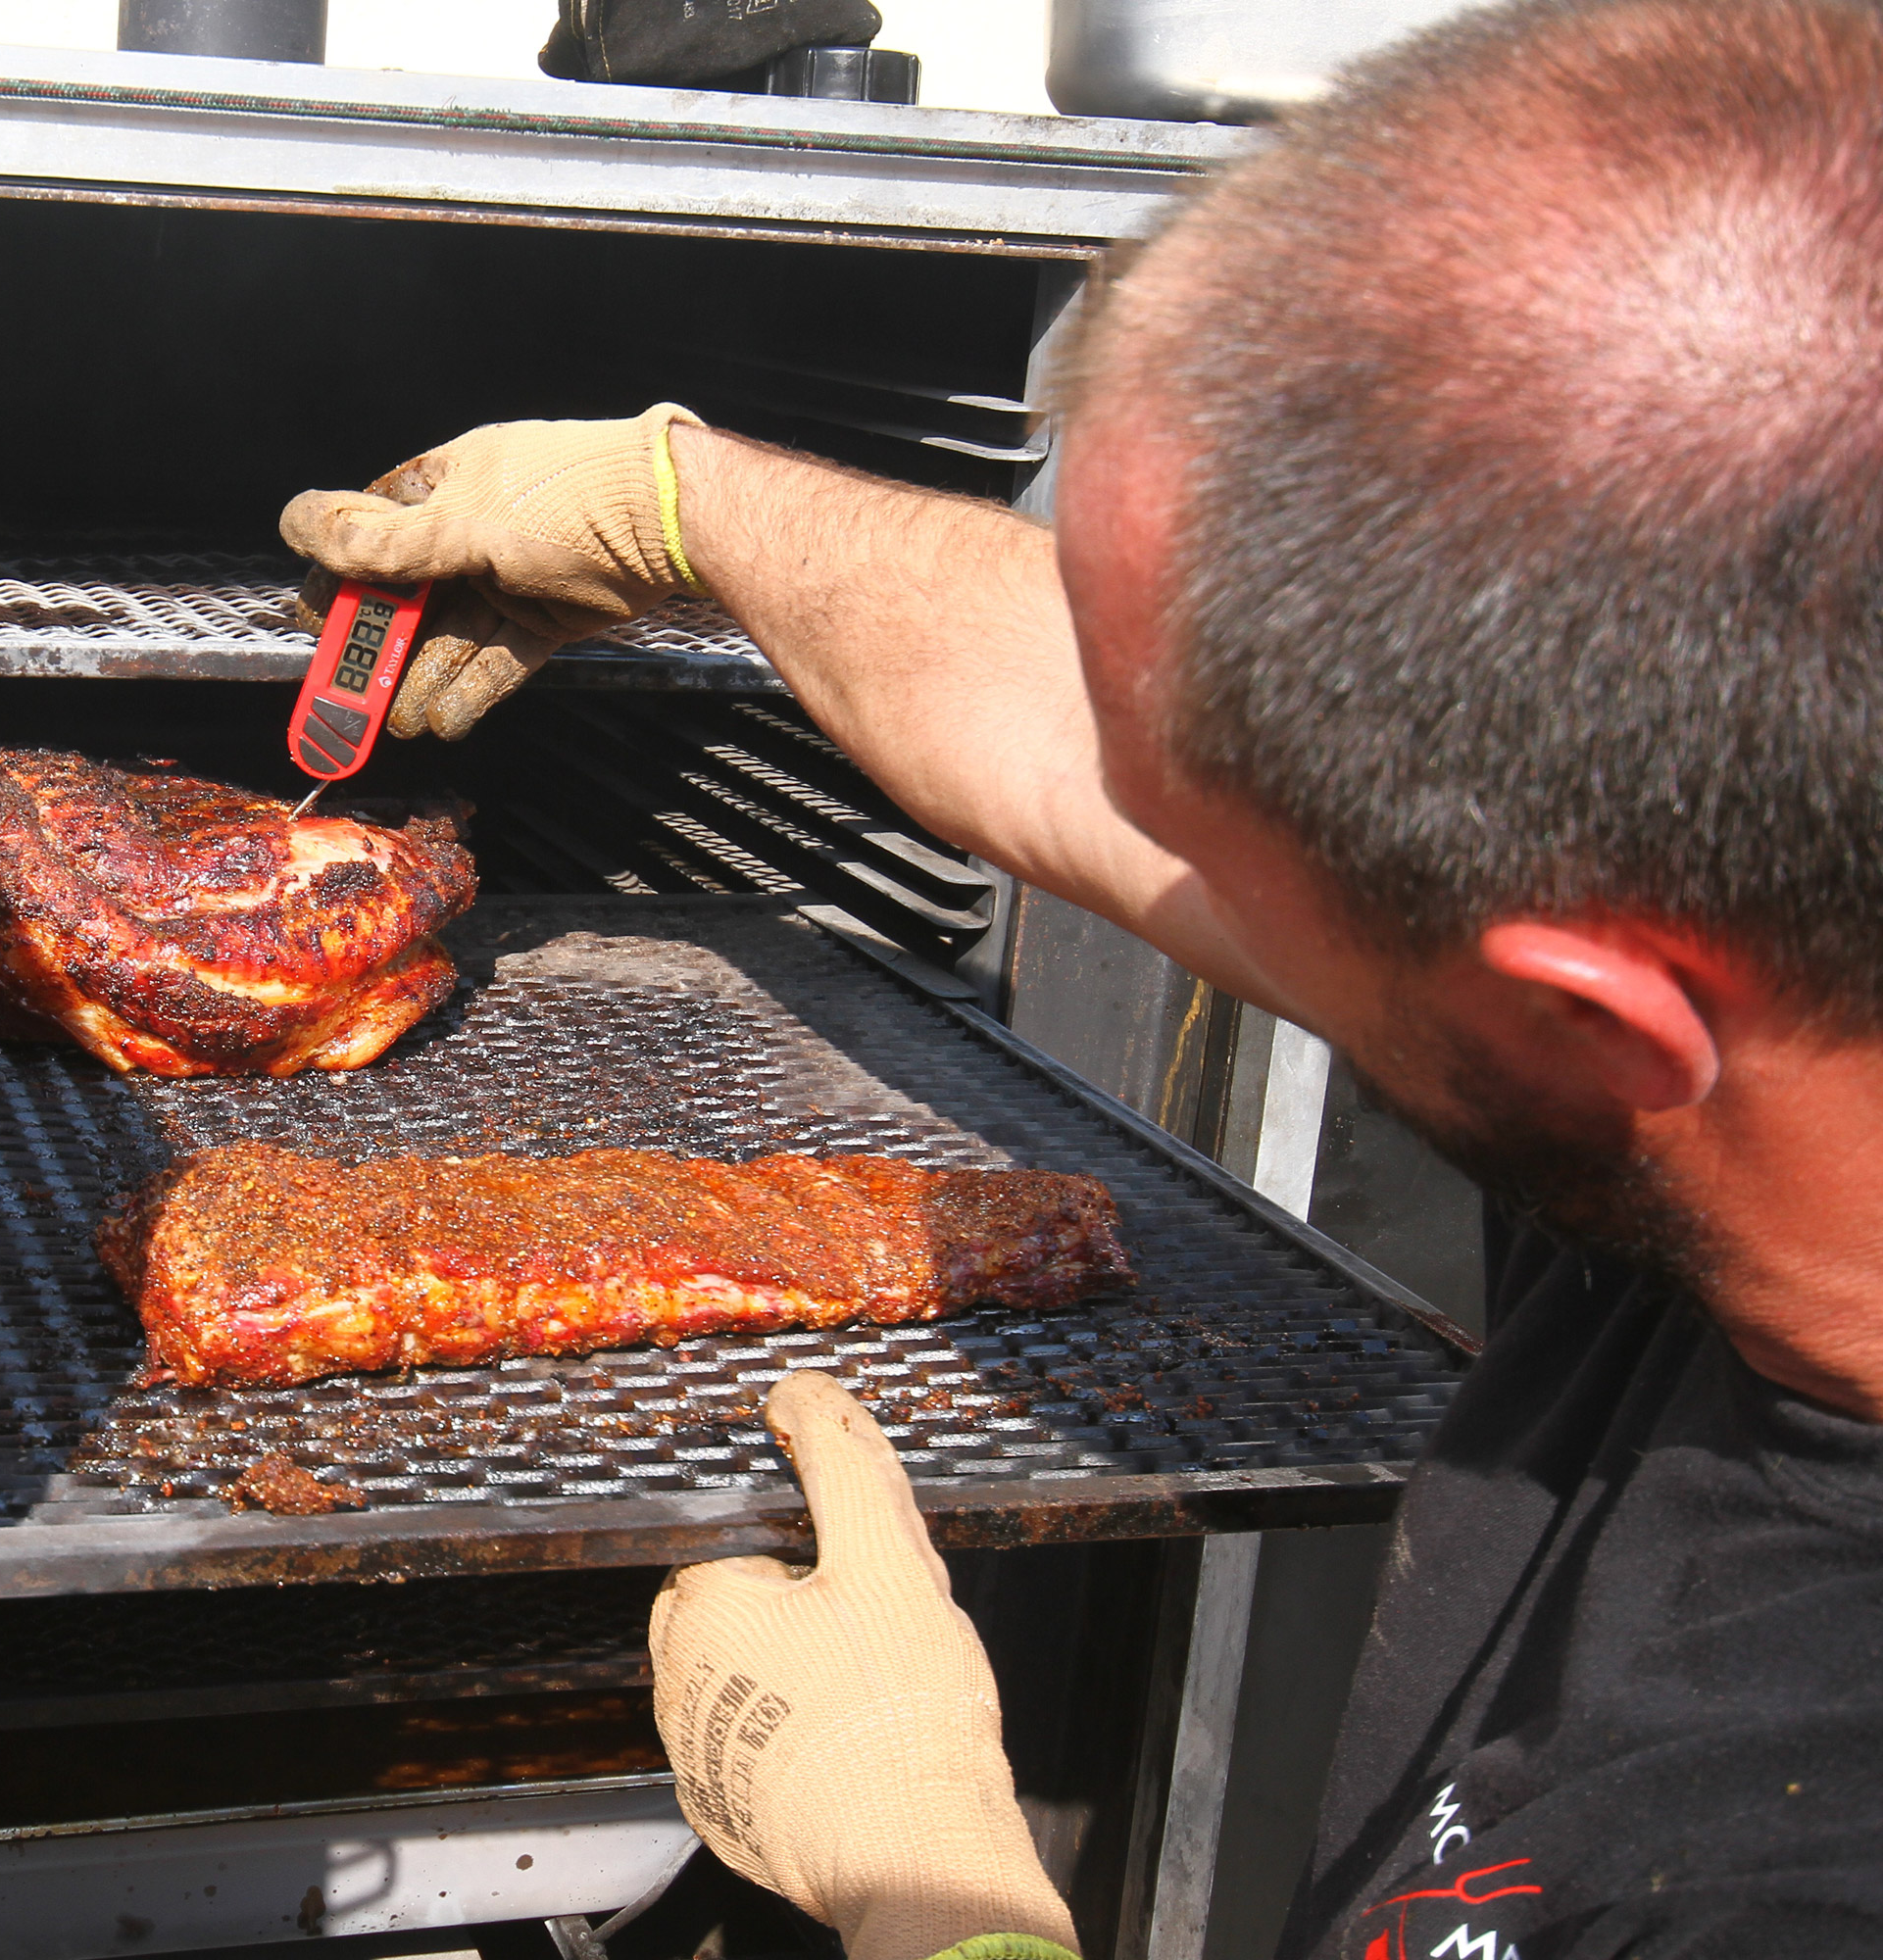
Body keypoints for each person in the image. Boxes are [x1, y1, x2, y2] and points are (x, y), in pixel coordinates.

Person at [275, 1, 1883, 1955]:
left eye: (1192, 825)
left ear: (1589, 1018)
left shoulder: (1772, 1875)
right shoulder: (1778, 956)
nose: (1120, 819)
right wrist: (681, 503)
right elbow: (1060, 709)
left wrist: (941, 1899)